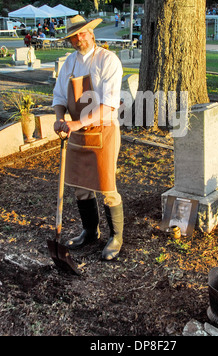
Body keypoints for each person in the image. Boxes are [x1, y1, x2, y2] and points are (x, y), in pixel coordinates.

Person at [52, 15, 124, 261]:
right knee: (80, 187)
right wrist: (60, 118)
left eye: (82, 33)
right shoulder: (69, 63)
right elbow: (59, 96)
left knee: (108, 187)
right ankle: (90, 231)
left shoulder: (107, 60)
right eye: (74, 35)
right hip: (75, 133)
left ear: (91, 33)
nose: (78, 38)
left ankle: (116, 237)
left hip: (103, 132)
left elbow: (109, 105)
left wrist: (78, 122)